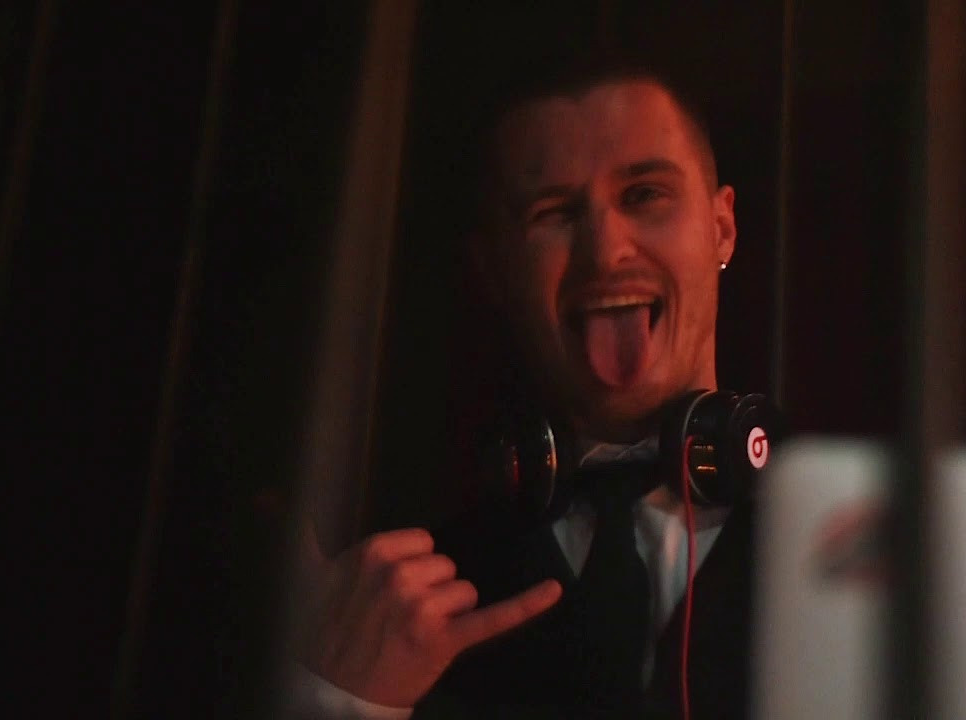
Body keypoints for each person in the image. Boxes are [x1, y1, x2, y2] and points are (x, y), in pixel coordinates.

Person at [288, 59, 752, 718]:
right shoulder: (404, 603)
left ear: (721, 228)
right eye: (553, 213)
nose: (605, 252)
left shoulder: (862, 536)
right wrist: (337, 701)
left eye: (645, 194)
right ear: (494, 271)